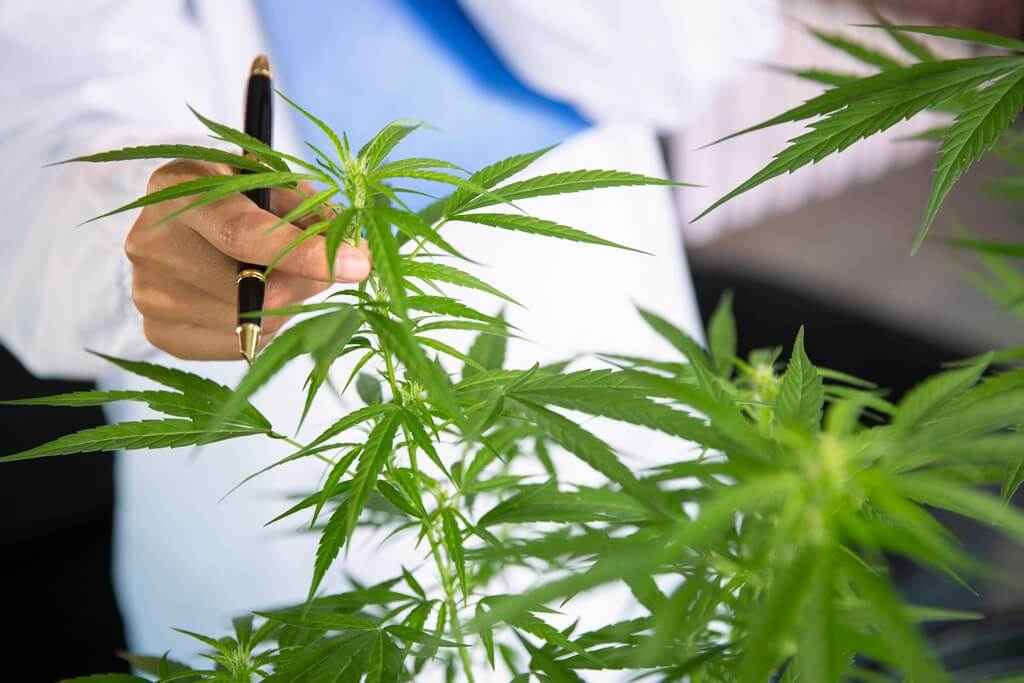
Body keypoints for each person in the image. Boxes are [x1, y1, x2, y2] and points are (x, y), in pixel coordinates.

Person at [0, 0, 781, 667]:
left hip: (613, 398)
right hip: (273, 516)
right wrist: (132, 228)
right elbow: (33, 142)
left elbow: (700, 41)